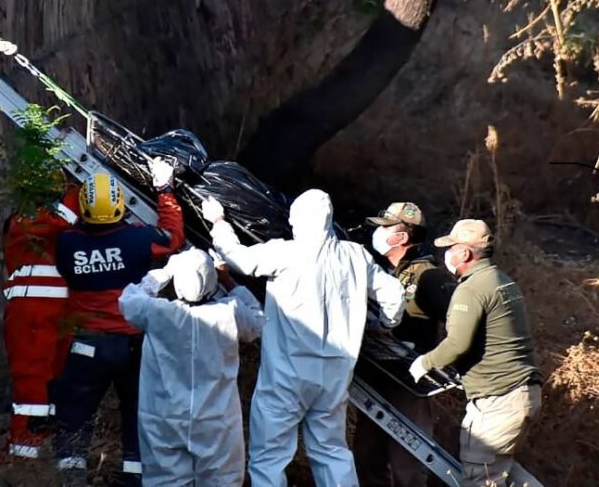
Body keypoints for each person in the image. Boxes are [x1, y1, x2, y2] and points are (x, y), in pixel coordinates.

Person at [202, 189, 406, 487]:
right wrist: (383, 323)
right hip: (336, 372)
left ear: (298, 219)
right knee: (332, 451)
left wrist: (218, 221)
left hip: (287, 373)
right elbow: (393, 293)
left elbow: (238, 259)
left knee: (269, 457)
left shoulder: (285, 252)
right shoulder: (355, 256)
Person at [52, 161, 184, 487]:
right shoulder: (137, 240)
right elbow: (172, 237)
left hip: (86, 346)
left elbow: (60, 224)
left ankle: (72, 479)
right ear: (120, 206)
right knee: (138, 416)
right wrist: (165, 192)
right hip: (133, 345)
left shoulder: (66, 244)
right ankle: (135, 480)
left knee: (74, 420)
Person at [409, 219, 542, 487]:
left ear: (466, 253)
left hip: (498, 400)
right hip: (523, 393)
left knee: (479, 474)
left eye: (452, 247)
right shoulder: (503, 281)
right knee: (502, 470)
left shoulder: (470, 289)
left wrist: (424, 363)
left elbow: (457, 343)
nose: (446, 254)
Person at [118, 248, 265, 486]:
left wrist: (164, 272)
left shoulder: (158, 312)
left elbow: (128, 300)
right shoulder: (230, 312)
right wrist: (227, 278)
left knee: (164, 481)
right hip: (217, 420)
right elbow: (258, 320)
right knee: (222, 481)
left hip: (164, 418)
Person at [354, 202, 455, 487]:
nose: (378, 232)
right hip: (376, 376)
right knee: (366, 457)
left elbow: (460, 319)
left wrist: (438, 360)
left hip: (410, 384)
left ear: (402, 236)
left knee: (407, 462)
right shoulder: (379, 272)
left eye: (385, 227)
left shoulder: (428, 276)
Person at [0, 183, 79, 460]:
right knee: (32, 384)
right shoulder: (25, 221)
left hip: (52, 315)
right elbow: (63, 218)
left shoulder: (47, 227)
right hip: (30, 318)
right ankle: (22, 455)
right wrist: (78, 190)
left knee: (52, 383)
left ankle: (38, 448)